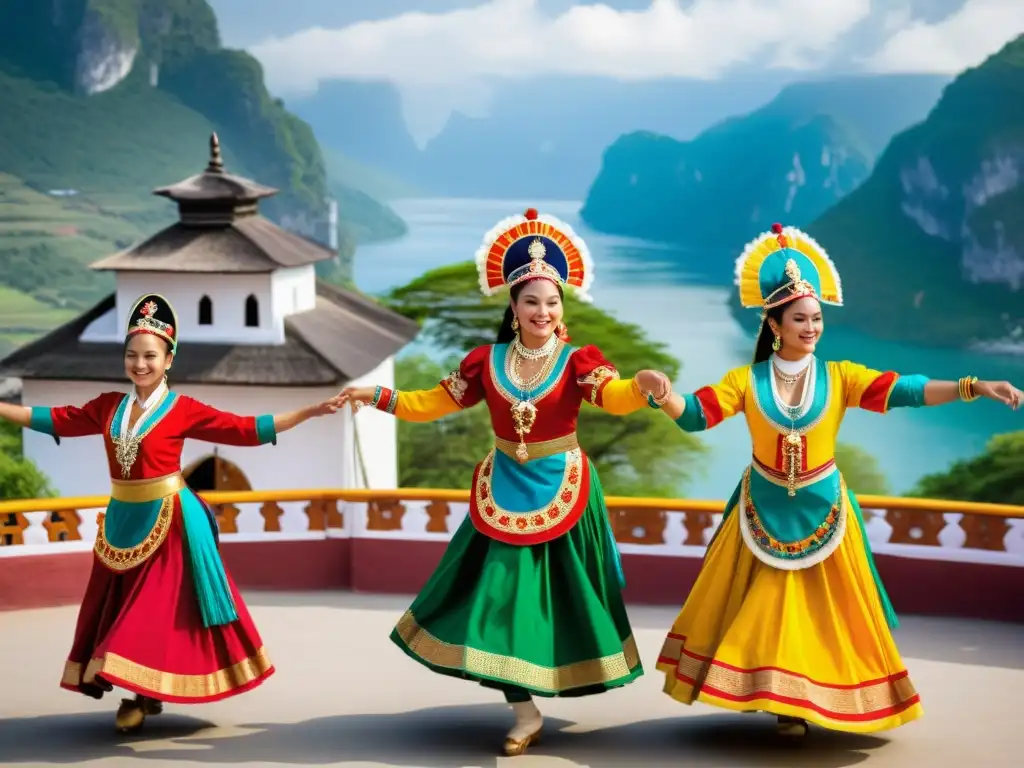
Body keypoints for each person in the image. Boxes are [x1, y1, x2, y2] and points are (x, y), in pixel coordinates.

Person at [652, 223, 1022, 737]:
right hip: (761, 508)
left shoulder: (840, 376)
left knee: (827, 614)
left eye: (817, 318)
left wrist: (972, 385)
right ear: (774, 324)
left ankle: (805, 701)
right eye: (799, 318)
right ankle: (783, 701)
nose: (811, 327)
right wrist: (662, 394)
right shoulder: (747, 381)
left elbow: (905, 389)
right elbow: (695, 414)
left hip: (825, 508)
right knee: (766, 609)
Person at [339, 207, 670, 757]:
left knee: (555, 603)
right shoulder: (484, 363)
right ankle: (524, 710)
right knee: (497, 599)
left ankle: (538, 692)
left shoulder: (577, 361)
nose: (543, 310)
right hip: (502, 490)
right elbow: (430, 404)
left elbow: (612, 396)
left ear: (563, 306)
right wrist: (375, 396)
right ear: (513, 308)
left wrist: (641, 386)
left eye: (552, 300)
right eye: (531, 301)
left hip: (564, 487)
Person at [0, 294, 343, 733]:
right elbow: (54, 419)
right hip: (123, 520)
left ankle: (137, 696)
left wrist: (311, 411)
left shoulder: (184, 410)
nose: (139, 364)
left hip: (172, 522)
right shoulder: (107, 407)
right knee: (123, 606)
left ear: (168, 360)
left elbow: (245, 430)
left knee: (148, 611)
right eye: (131, 355)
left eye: (149, 356)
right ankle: (145, 691)